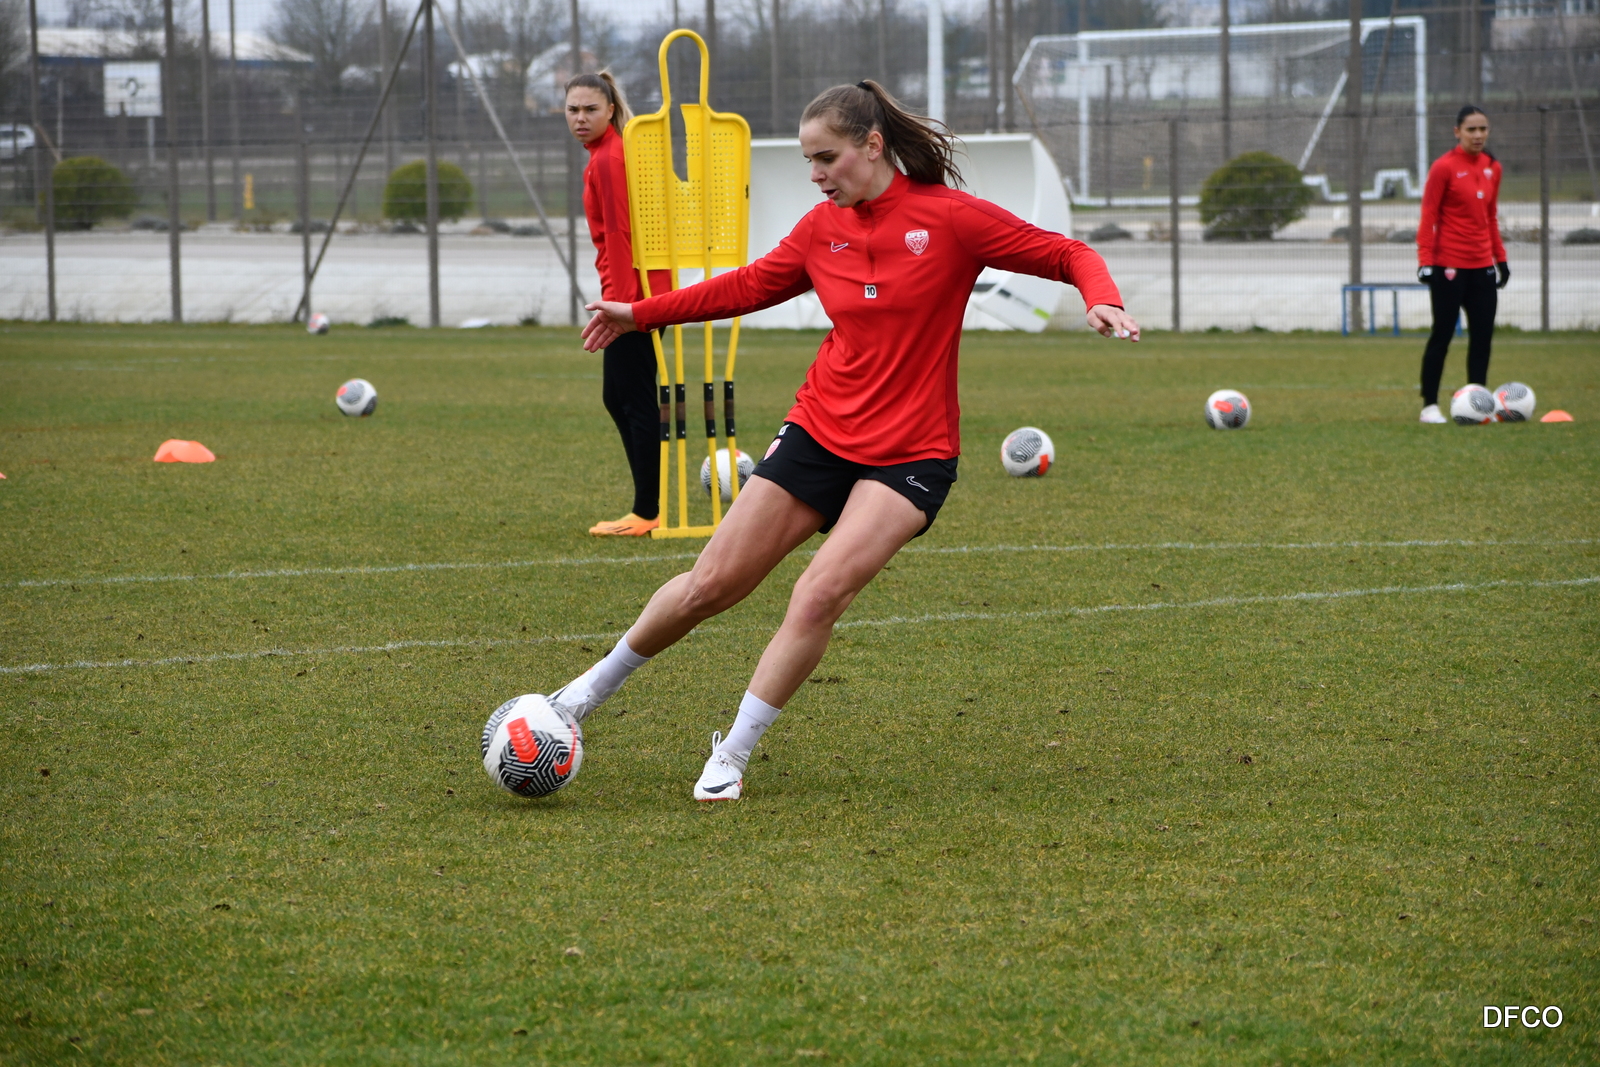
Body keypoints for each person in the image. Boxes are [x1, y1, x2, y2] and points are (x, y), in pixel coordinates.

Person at [550, 79, 1140, 801]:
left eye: (826, 158)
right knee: (711, 584)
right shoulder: (818, 230)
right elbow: (745, 287)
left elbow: (1067, 253)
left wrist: (1101, 297)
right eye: (809, 160)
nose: (815, 174)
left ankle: (731, 754)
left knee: (817, 593)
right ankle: (578, 698)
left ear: (873, 145)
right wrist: (638, 313)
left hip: (912, 454)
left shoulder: (951, 219)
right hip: (819, 429)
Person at [566, 71, 673, 535]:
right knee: (620, 396)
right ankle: (647, 507)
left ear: (610, 110)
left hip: (637, 297)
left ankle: (647, 512)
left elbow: (621, 234)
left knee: (634, 399)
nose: (580, 117)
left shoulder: (610, 157)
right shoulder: (604, 154)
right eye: (573, 109)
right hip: (640, 292)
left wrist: (625, 309)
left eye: (590, 109)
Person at [1415, 105, 1508, 424]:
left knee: (1482, 338)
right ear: (1457, 132)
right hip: (1448, 268)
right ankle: (1429, 405)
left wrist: (1500, 259)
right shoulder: (1444, 167)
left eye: (1483, 129)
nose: (1478, 135)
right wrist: (1425, 261)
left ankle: (1479, 404)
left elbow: (1490, 217)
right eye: (1471, 129)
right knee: (1442, 335)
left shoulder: (1493, 167)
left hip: (1483, 268)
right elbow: (1428, 214)